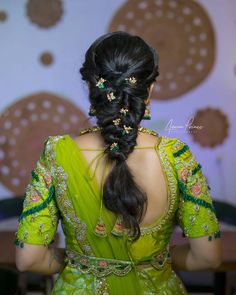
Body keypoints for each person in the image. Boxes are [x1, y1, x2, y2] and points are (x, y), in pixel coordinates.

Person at [15, 31, 221, 295]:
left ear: (91, 88)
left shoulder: (57, 153)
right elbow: (207, 257)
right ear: (148, 89)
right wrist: (159, 258)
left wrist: (80, 262)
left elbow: (29, 258)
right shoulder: (176, 157)